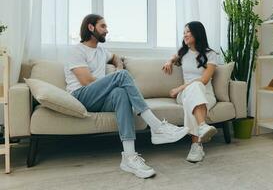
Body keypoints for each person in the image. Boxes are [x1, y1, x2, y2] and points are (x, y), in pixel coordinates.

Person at [64, 14, 189, 178]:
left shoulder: (101, 51)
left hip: (100, 98)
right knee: (121, 77)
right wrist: (116, 76)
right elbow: (86, 81)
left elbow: (115, 57)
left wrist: (119, 66)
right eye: (103, 26)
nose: (107, 30)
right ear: (90, 27)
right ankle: (157, 127)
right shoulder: (76, 51)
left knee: (121, 93)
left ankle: (129, 157)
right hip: (82, 96)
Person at [162, 21, 218, 163]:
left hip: (206, 94)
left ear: (197, 33)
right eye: (184, 32)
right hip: (185, 94)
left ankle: (196, 144)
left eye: (188, 31)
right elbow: (173, 57)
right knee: (192, 92)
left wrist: (179, 88)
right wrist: (169, 61)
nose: (185, 34)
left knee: (195, 91)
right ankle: (201, 129)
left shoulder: (211, 54)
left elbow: (204, 80)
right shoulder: (183, 53)